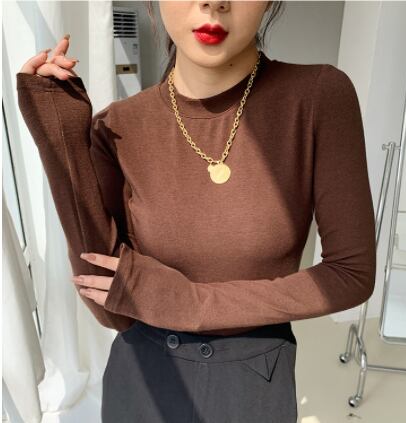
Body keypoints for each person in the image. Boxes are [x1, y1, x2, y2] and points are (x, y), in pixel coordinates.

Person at [16, 1, 376, 422]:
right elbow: (111, 306)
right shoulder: (120, 124)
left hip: (251, 383)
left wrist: (194, 304)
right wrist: (61, 142)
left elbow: (351, 274)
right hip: (142, 378)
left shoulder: (318, 96)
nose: (213, 2)